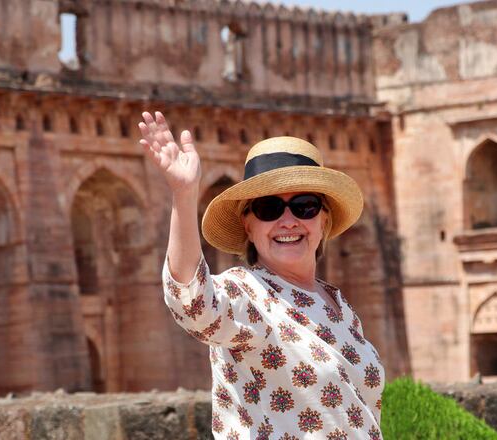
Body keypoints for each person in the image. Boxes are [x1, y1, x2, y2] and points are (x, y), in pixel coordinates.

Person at [139, 111, 384, 439]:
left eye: (305, 206)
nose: (288, 221)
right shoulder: (248, 294)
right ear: (248, 225)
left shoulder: (338, 305)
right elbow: (193, 303)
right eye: (269, 208)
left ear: (324, 219)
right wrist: (184, 195)